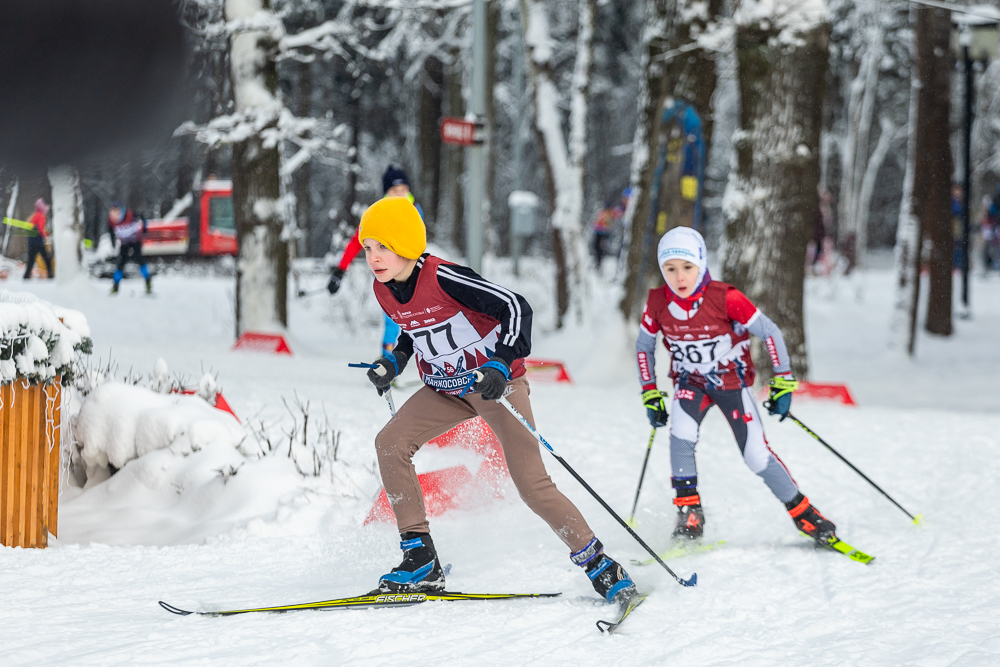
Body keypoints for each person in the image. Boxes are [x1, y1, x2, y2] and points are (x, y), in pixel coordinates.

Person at [358, 197, 638, 606]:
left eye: (382, 246)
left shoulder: (445, 277)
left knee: (531, 484)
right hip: (444, 389)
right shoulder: (384, 289)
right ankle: (420, 558)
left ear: (406, 244)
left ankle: (601, 566)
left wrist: (501, 364)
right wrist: (394, 362)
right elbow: (412, 330)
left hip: (495, 387)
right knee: (390, 443)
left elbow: (514, 307)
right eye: (367, 248)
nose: (374, 257)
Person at [635, 226, 837, 546]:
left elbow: (770, 332)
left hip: (731, 383)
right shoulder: (658, 302)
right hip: (691, 384)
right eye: (670, 269)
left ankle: (804, 514)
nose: (679, 277)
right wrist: (650, 392)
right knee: (680, 437)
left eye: (687, 267)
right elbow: (643, 347)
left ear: (701, 263)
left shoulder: (725, 297)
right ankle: (690, 513)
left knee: (756, 455)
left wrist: (782, 382)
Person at [328, 165, 423, 354]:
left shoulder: (415, 210)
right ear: (387, 193)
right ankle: (388, 361)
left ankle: (429, 359)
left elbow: (419, 242)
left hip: (411, 274)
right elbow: (357, 241)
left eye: (404, 190)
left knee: (418, 317)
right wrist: (341, 269)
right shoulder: (378, 214)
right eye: (395, 191)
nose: (400, 194)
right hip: (385, 273)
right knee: (392, 317)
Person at [108, 201, 151, 294]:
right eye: (112, 213)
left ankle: (148, 283)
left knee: (140, 260)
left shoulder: (131, 215)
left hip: (135, 241)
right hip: (124, 243)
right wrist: (113, 242)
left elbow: (143, 218)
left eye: (116, 212)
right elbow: (110, 231)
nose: (114, 216)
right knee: (120, 263)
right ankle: (115, 287)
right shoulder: (111, 221)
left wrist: (144, 230)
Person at [23, 198, 53, 280]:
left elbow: (32, 229)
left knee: (31, 260)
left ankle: (26, 276)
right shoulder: (41, 216)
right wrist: (46, 234)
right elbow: (41, 229)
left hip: (31, 242)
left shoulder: (34, 215)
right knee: (46, 258)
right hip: (38, 242)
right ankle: (51, 275)